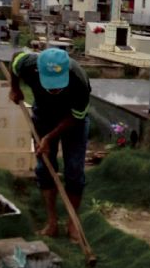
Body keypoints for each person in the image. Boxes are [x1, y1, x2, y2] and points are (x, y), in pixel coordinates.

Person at [7, 47, 90, 241]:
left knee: (74, 170)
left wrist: (48, 138)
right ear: (38, 70)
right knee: (45, 167)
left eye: (58, 84)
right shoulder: (28, 64)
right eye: (49, 84)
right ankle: (52, 222)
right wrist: (15, 88)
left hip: (72, 121)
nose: (54, 89)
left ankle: (72, 223)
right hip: (43, 116)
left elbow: (75, 118)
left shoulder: (78, 79)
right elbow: (14, 62)